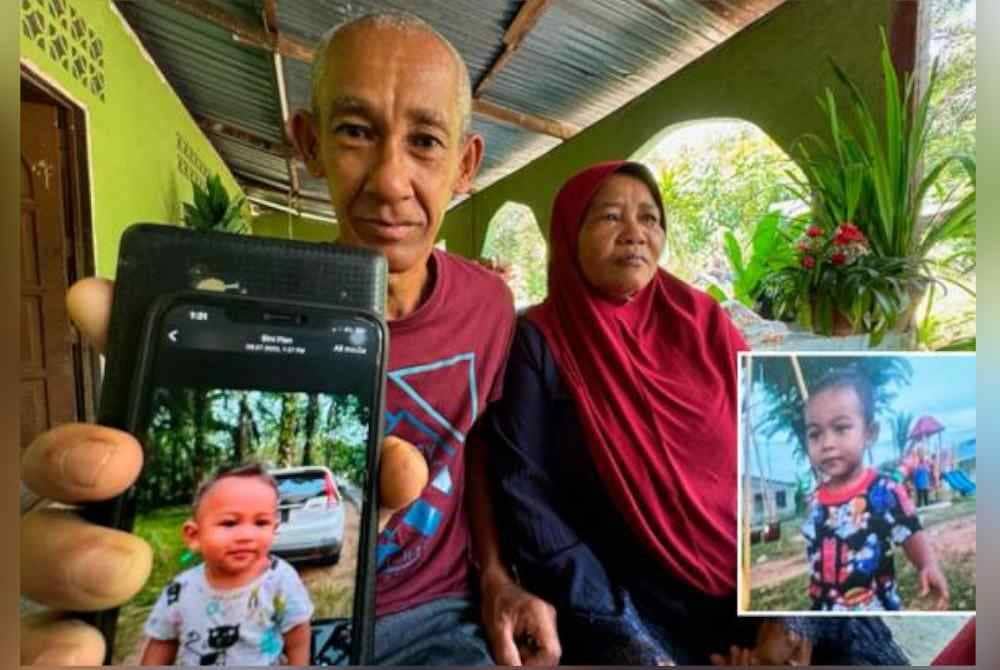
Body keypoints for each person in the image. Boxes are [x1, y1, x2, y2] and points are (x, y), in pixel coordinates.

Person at [20, 11, 559, 666]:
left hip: (434, 619)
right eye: (356, 131)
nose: (391, 183)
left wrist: (496, 577)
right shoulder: (251, 321)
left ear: (466, 164)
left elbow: (470, 443)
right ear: (308, 145)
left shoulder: (491, 306)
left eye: (425, 141)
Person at [479, 160, 910, 665]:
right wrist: (630, 639)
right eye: (610, 217)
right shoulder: (540, 344)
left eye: (650, 219)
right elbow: (525, 495)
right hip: (633, 599)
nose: (635, 234)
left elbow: (794, 454)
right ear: (568, 233)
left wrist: (790, 614)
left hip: (763, 574)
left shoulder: (702, 322)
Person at [802, 368, 949, 612]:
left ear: (869, 434)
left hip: (874, 608)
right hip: (825, 610)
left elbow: (910, 531)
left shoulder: (885, 491)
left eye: (840, 428)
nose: (827, 443)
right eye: (815, 433)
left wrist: (927, 564)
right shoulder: (814, 501)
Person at [140, 463, 313, 666]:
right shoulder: (180, 590)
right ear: (194, 535)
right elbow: (162, 643)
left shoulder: (280, 581)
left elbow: (297, 637)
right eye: (229, 523)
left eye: (261, 523)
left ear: (274, 529)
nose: (246, 536)